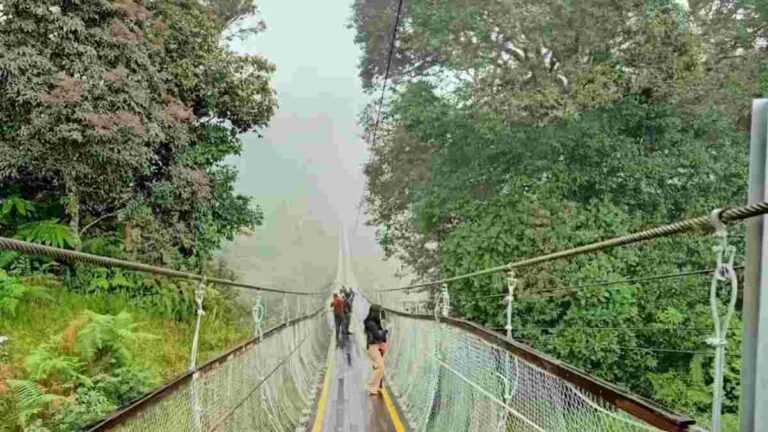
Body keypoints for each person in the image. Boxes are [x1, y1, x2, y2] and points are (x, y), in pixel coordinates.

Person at [364, 305, 388, 396]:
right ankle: (371, 386)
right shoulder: (371, 323)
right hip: (373, 347)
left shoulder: (373, 322)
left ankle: (376, 386)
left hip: (377, 346)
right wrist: (385, 331)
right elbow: (378, 336)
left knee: (378, 367)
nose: (380, 315)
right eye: (379, 312)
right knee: (380, 367)